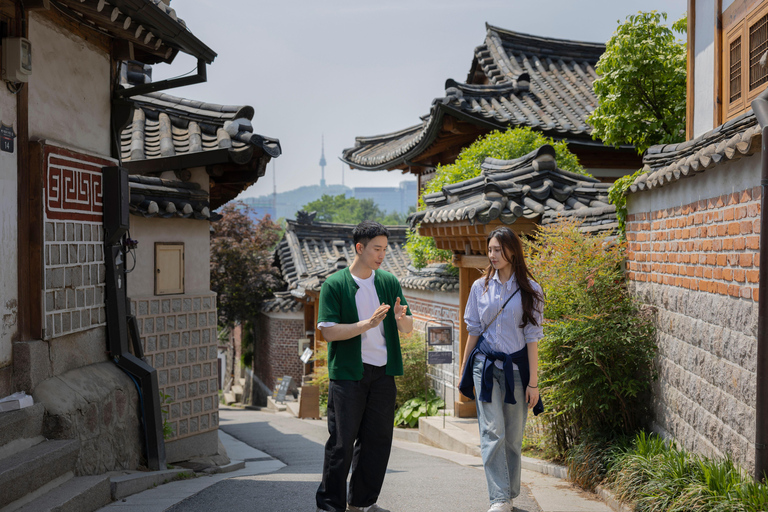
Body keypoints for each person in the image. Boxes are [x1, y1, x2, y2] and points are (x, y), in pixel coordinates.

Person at [315, 220, 413, 512]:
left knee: (377, 442)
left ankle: (362, 502)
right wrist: (366, 324)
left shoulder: (388, 282)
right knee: (342, 444)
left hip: (383, 374)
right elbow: (328, 331)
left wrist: (399, 318)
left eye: (385, 248)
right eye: (377, 248)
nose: (382, 254)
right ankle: (330, 506)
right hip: (348, 375)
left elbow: (407, 328)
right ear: (360, 248)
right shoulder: (334, 284)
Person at [458, 226, 544, 512]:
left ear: (512, 251)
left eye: (498, 249)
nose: (492, 255)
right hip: (485, 367)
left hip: (517, 370)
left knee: (513, 437)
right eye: (490, 249)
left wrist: (534, 382)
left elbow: (532, 339)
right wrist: (463, 370)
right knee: (492, 431)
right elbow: (473, 330)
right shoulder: (479, 287)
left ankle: (509, 492)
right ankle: (499, 498)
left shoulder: (530, 290)